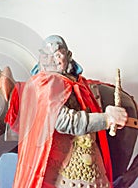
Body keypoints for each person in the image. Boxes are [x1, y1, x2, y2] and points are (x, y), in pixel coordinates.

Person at [8, 35, 128, 188]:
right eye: (47, 56)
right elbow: (64, 121)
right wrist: (107, 118)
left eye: (58, 55)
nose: (52, 60)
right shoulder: (45, 85)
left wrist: (108, 114)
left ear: (68, 56)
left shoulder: (76, 83)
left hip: (89, 165)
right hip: (61, 172)